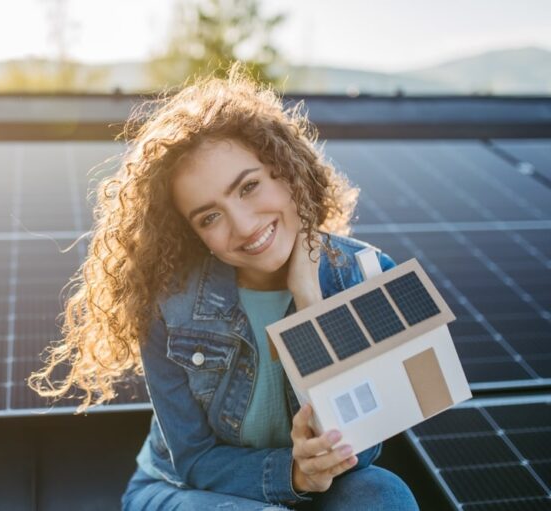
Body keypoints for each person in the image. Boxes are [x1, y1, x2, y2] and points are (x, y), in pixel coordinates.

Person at [29, 65, 418, 510]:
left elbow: (361, 449)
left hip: (317, 487)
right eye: (209, 216)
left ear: (284, 172)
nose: (244, 225)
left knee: (384, 494)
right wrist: (292, 473)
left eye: (249, 187)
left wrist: (311, 301)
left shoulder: (366, 275)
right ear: (191, 234)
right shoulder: (168, 306)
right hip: (186, 491)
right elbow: (194, 459)